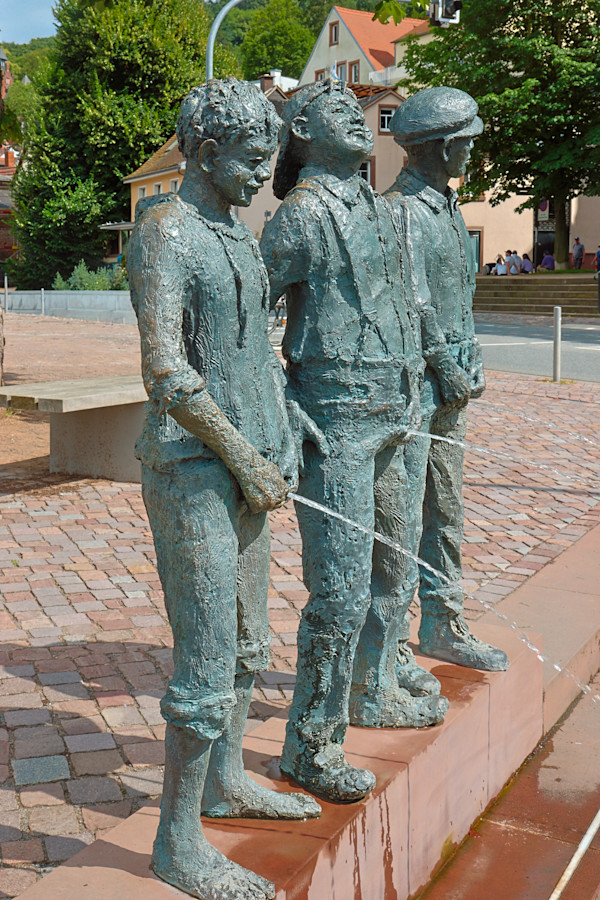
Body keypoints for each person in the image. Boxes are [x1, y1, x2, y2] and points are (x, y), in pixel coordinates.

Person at [128, 79, 321, 900]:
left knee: (248, 643)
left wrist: (288, 415)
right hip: (195, 470)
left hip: (250, 465)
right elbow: (168, 371)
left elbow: (248, 352)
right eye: (250, 162)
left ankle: (226, 779)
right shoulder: (163, 232)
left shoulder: (240, 237)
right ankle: (179, 844)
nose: (262, 177)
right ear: (205, 155)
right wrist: (244, 457)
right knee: (205, 660)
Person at [261, 80, 448, 805]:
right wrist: (281, 403)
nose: (360, 118)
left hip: (394, 412)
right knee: (337, 592)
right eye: (337, 110)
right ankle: (312, 743)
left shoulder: (376, 207)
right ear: (301, 129)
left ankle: (374, 689)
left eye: (358, 109)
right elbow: (248, 323)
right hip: (335, 418)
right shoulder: (301, 216)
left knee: (396, 561)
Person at [383, 86, 509, 681]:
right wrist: (444, 358)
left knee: (448, 508)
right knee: (404, 515)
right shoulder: (401, 209)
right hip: (414, 385)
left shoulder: (447, 205)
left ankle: (443, 620)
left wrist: (470, 353)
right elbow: (414, 298)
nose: (470, 153)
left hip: (450, 384)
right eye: (464, 143)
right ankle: (391, 644)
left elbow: (460, 294)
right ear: (439, 145)